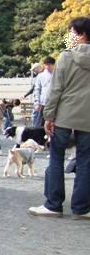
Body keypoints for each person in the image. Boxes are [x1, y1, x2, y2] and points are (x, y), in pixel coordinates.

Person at [29, 17, 90, 219]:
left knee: (56, 158)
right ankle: (82, 208)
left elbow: (56, 90)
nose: (68, 36)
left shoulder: (66, 56)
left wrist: (49, 115)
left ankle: (53, 204)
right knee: (85, 162)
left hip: (64, 116)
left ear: (81, 34)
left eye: (71, 32)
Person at [32, 56, 54, 127]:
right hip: (43, 103)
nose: (47, 66)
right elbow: (37, 89)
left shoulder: (57, 74)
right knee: (41, 124)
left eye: (49, 64)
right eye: (46, 64)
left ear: (53, 65)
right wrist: (37, 102)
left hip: (55, 103)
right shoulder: (40, 76)